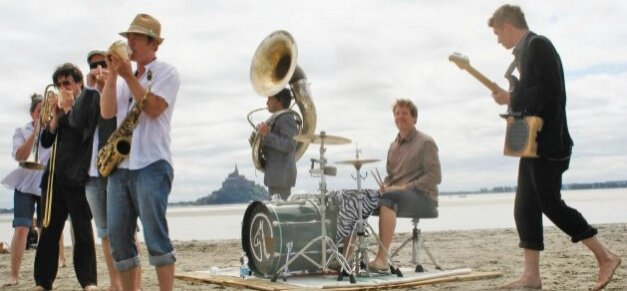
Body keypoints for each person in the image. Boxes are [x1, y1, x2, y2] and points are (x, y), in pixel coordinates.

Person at [487, 5, 621, 290]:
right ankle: (531, 276)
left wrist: (511, 97)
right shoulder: (524, 53)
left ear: (508, 26)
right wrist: (513, 99)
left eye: (498, 33)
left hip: (551, 143)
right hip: (532, 143)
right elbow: (532, 95)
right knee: (525, 206)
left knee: (550, 203)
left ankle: (606, 256)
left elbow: (550, 94)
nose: (498, 40)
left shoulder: (539, 45)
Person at [100, 13, 180, 291]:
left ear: (153, 43)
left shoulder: (166, 71)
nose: (129, 41)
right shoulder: (122, 78)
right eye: (128, 37)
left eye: (135, 37)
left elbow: (154, 108)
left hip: (152, 163)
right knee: (120, 240)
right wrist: (112, 77)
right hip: (121, 167)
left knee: (156, 236)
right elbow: (107, 112)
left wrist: (127, 76)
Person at [33, 63, 100, 290]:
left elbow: (84, 131)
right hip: (53, 177)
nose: (63, 88)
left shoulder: (88, 103)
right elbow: (45, 141)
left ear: (78, 83)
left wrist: (70, 110)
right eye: (59, 84)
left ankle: (88, 281)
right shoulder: (57, 108)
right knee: (49, 231)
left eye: (67, 83)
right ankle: (43, 282)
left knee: (82, 231)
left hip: (78, 176)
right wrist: (54, 120)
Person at [84, 49, 143, 290]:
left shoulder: (119, 90)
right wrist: (89, 90)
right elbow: (79, 123)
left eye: (103, 64)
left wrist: (111, 80)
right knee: (105, 233)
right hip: (92, 172)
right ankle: (115, 283)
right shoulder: (85, 96)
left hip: (117, 167)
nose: (99, 69)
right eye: (94, 66)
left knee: (127, 232)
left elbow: (113, 117)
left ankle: (135, 285)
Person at [368, 99, 441, 271]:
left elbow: (435, 176)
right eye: (397, 113)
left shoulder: (426, 142)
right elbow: (391, 176)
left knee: (388, 198)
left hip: (424, 197)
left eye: (405, 113)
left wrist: (404, 187)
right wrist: (385, 186)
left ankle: (382, 259)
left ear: (414, 118)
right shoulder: (393, 146)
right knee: (362, 198)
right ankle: (347, 255)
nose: (400, 117)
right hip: (397, 194)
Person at [1, 94, 50, 287]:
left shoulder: (56, 128)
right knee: (21, 227)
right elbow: (19, 155)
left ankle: (44, 275)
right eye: (40, 111)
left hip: (46, 182)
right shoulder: (21, 130)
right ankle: (14, 275)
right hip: (25, 181)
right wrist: (35, 131)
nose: (43, 114)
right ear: (32, 113)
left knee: (45, 229)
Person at [256, 88, 298, 201]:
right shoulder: (278, 119)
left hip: (281, 179)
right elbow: (275, 149)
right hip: (277, 178)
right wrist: (261, 142)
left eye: (270, 98)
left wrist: (266, 135)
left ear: (279, 101)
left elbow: (289, 145)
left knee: (279, 216)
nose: (266, 102)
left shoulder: (286, 118)